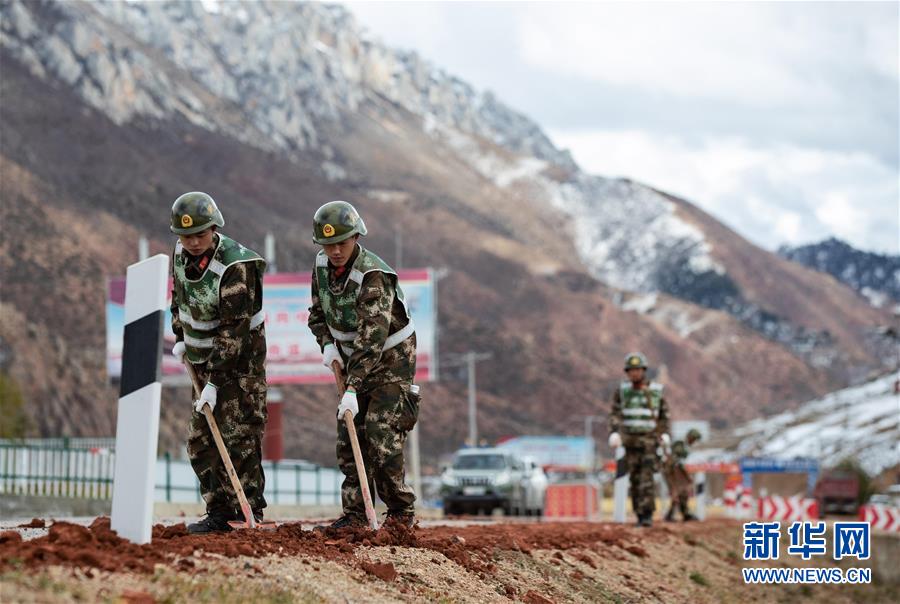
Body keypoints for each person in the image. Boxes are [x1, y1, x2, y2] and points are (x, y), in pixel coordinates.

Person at [307, 200, 420, 529]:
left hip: (390, 358)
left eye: (342, 242)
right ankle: (356, 515)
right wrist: (327, 345)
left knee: (380, 431)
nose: (336, 251)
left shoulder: (373, 275)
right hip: (350, 355)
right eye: (328, 245)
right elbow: (317, 312)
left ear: (356, 237)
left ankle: (400, 512)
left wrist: (353, 387)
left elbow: (372, 338)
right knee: (348, 435)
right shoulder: (322, 267)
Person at [168, 191, 268, 534]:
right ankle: (219, 509)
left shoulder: (235, 266)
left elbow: (234, 331)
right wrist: (180, 336)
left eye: (200, 234)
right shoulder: (180, 255)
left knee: (237, 437)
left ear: (214, 228)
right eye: (186, 235)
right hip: (201, 362)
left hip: (239, 367)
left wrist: (215, 381)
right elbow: (178, 298)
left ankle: (247, 509)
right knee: (201, 440)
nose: (193, 242)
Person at [608, 352, 671, 527]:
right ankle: (638, 513)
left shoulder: (656, 391)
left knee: (647, 477)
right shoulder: (621, 392)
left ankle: (647, 515)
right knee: (634, 479)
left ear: (644, 371)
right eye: (631, 370)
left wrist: (664, 433)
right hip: (629, 441)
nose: (634, 373)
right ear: (627, 373)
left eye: (637, 370)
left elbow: (664, 416)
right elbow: (615, 414)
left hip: (649, 441)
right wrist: (614, 432)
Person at [663, 429, 702, 522]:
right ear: (691, 437)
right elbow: (677, 461)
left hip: (675, 470)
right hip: (672, 471)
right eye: (694, 439)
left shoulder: (683, 445)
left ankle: (684, 513)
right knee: (677, 492)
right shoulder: (680, 445)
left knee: (682, 492)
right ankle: (671, 514)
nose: (694, 442)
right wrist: (687, 475)